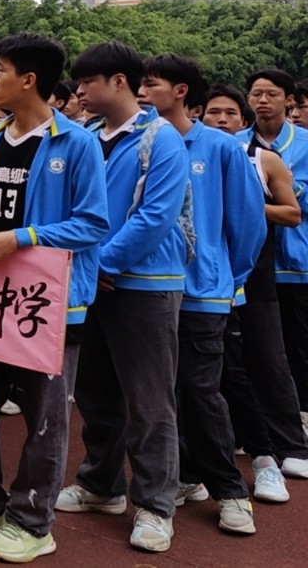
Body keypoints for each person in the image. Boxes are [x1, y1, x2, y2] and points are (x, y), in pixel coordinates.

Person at [0, 32, 110, 563]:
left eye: (1, 70)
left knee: (44, 416)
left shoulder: (76, 143)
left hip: (49, 301)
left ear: (29, 80)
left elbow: (92, 222)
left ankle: (33, 521)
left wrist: (19, 238)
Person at [58, 41, 189, 554]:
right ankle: (100, 484)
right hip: (92, 284)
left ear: (118, 81)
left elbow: (155, 217)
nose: (80, 91)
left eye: (87, 82)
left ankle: (156, 505)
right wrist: (90, 271)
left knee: (150, 400)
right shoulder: (87, 137)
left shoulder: (161, 138)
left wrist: (100, 265)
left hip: (145, 286)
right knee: (96, 393)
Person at [140, 55, 264, 534]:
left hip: (202, 291)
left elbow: (248, 223)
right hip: (149, 287)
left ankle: (230, 490)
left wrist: (228, 276)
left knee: (199, 389)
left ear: (181, 91)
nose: (142, 92)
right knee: (162, 392)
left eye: (151, 84)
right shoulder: (140, 141)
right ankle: (185, 474)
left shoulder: (220, 147)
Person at [238, 70, 308, 441]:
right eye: (256, 94)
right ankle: (258, 425)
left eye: (271, 94)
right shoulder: (234, 145)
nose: (263, 100)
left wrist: (285, 187)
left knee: (296, 348)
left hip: (296, 261)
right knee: (254, 350)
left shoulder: (305, 143)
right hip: (250, 266)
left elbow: (294, 205)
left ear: (289, 100)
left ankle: (299, 419)